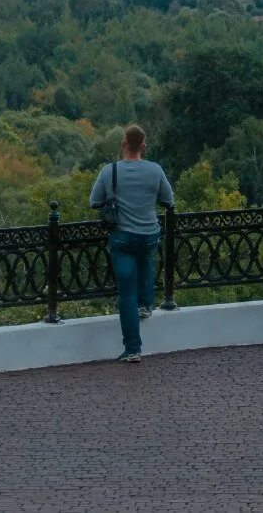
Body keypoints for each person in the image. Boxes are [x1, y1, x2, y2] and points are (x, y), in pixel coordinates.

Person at [89, 124, 174, 363]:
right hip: (149, 235)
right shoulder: (155, 170)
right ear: (143, 146)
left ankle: (133, 349)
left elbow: (94, 201)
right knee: (146, 256)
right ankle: (146, 304)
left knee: (126, 292)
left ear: (123, 145)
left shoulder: (110, 171)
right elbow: (169, 200)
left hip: (122, 236)